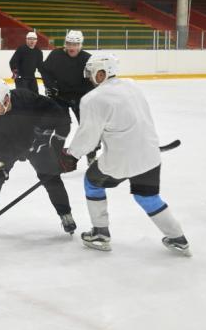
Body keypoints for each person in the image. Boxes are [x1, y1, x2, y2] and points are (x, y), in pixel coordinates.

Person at [63, 53, 190, 256]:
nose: (88, 77)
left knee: (92, 182)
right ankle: (178, 238)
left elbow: (88, 136)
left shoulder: (92, 99)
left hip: (120, 159)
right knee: (147, 196)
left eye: (91, 73)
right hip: (149, 154)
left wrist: (71, 155)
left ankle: (100, 234)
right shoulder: (132, 85)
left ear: (102, 72)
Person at [0, 79, 76, 235]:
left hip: (37, 142)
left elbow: (59, 116)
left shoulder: (26, 98)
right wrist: (6, 160)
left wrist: (52, 140)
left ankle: (65, 214)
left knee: (51, 177)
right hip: (9, 147)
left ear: (6, 99)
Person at [40, 30, 98, 164]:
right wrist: (49, 86)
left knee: (87, 127)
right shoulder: (56, 55)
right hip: (60, 97)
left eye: (75, 44)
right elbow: (45, 71)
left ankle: (91, 154)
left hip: (81, 98)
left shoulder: (88, 58)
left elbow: (95, 78)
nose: (72, 47)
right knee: (62, 126)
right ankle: (55, 156)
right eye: (69, 44)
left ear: (80, 45)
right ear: (65, 44)